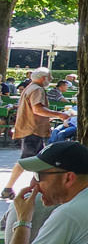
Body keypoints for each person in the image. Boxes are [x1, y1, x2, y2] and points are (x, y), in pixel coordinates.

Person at [4, 67, 66, 197]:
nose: (51, 80)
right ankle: (8, 188)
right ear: (43, 78)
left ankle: (37, 189)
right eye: (49, 77)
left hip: (30, 129)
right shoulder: (37, 89)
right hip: (33, 129)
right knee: (26, 161)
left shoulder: (29, 87)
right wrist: (59, 115)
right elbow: (37, 109)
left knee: (40, 162)